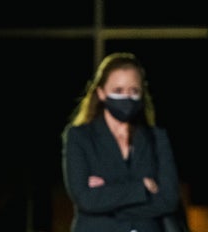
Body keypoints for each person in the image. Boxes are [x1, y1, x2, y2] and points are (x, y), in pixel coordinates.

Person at [61, 52, 184, 232]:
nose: (127, 97)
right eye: (118, 91)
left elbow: (169, 200)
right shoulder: (80, 137)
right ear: (101, 93)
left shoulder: (157, 138)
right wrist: (142, 188)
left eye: (134, 91)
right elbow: (84, 199)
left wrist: (106, 199)